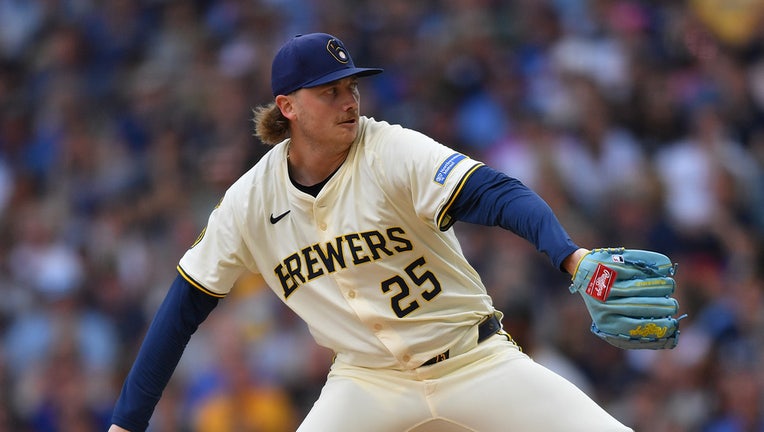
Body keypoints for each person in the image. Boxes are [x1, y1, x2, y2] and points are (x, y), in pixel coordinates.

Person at [108, 32, 640, 432]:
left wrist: (569, 255)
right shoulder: (249, 201)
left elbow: (496, 192)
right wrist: (126, 424)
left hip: (471, 359)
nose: (349, 101)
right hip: (367, 382)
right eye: (330, 92)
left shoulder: (390, 149)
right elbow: (181, 309)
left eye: (352, 87)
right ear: (288, 107)